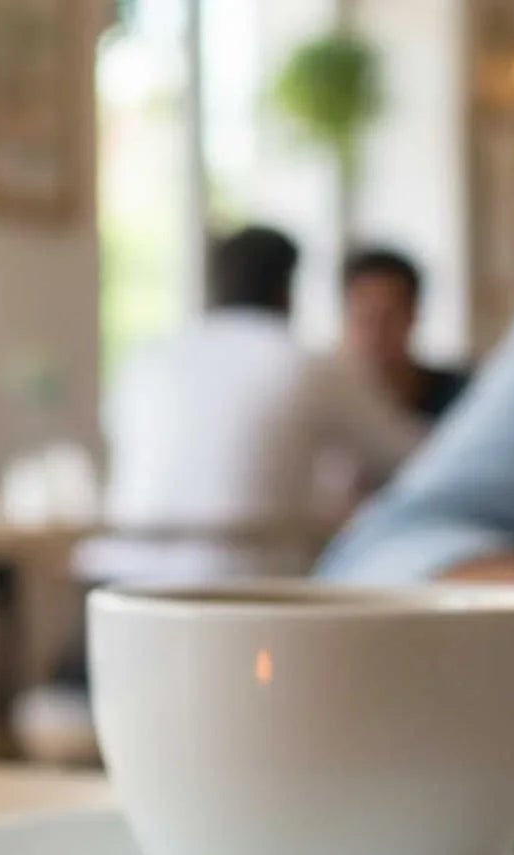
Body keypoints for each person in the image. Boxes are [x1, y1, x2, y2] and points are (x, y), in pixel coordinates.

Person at [320, 157, 514, 786]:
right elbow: (373, 590)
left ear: (415, 318)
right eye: (362, 316)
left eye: (390, 315)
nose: (375, 334)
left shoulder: (436, 388)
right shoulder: (326, 381)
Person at [89, 225, 422, 585]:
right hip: (244, 589)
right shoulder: (308, 363)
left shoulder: (146, 360)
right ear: (287, 289)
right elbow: (411, 456)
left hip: (117, 582)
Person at [341, 246, 470, 421]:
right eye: (365, 318)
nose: (377, 334)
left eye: (390, 317)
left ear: (413, 315)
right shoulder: (329, 405)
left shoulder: (463, 398)